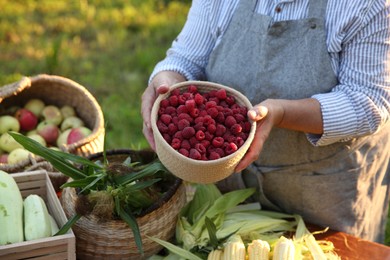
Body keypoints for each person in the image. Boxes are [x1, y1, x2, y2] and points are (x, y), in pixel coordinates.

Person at [141, 0, 390, 243]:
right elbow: (187, 59)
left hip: (324, 191)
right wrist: (165, 81)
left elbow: (368, 101)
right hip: (231, 182)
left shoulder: (368, 5)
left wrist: (281, 112)